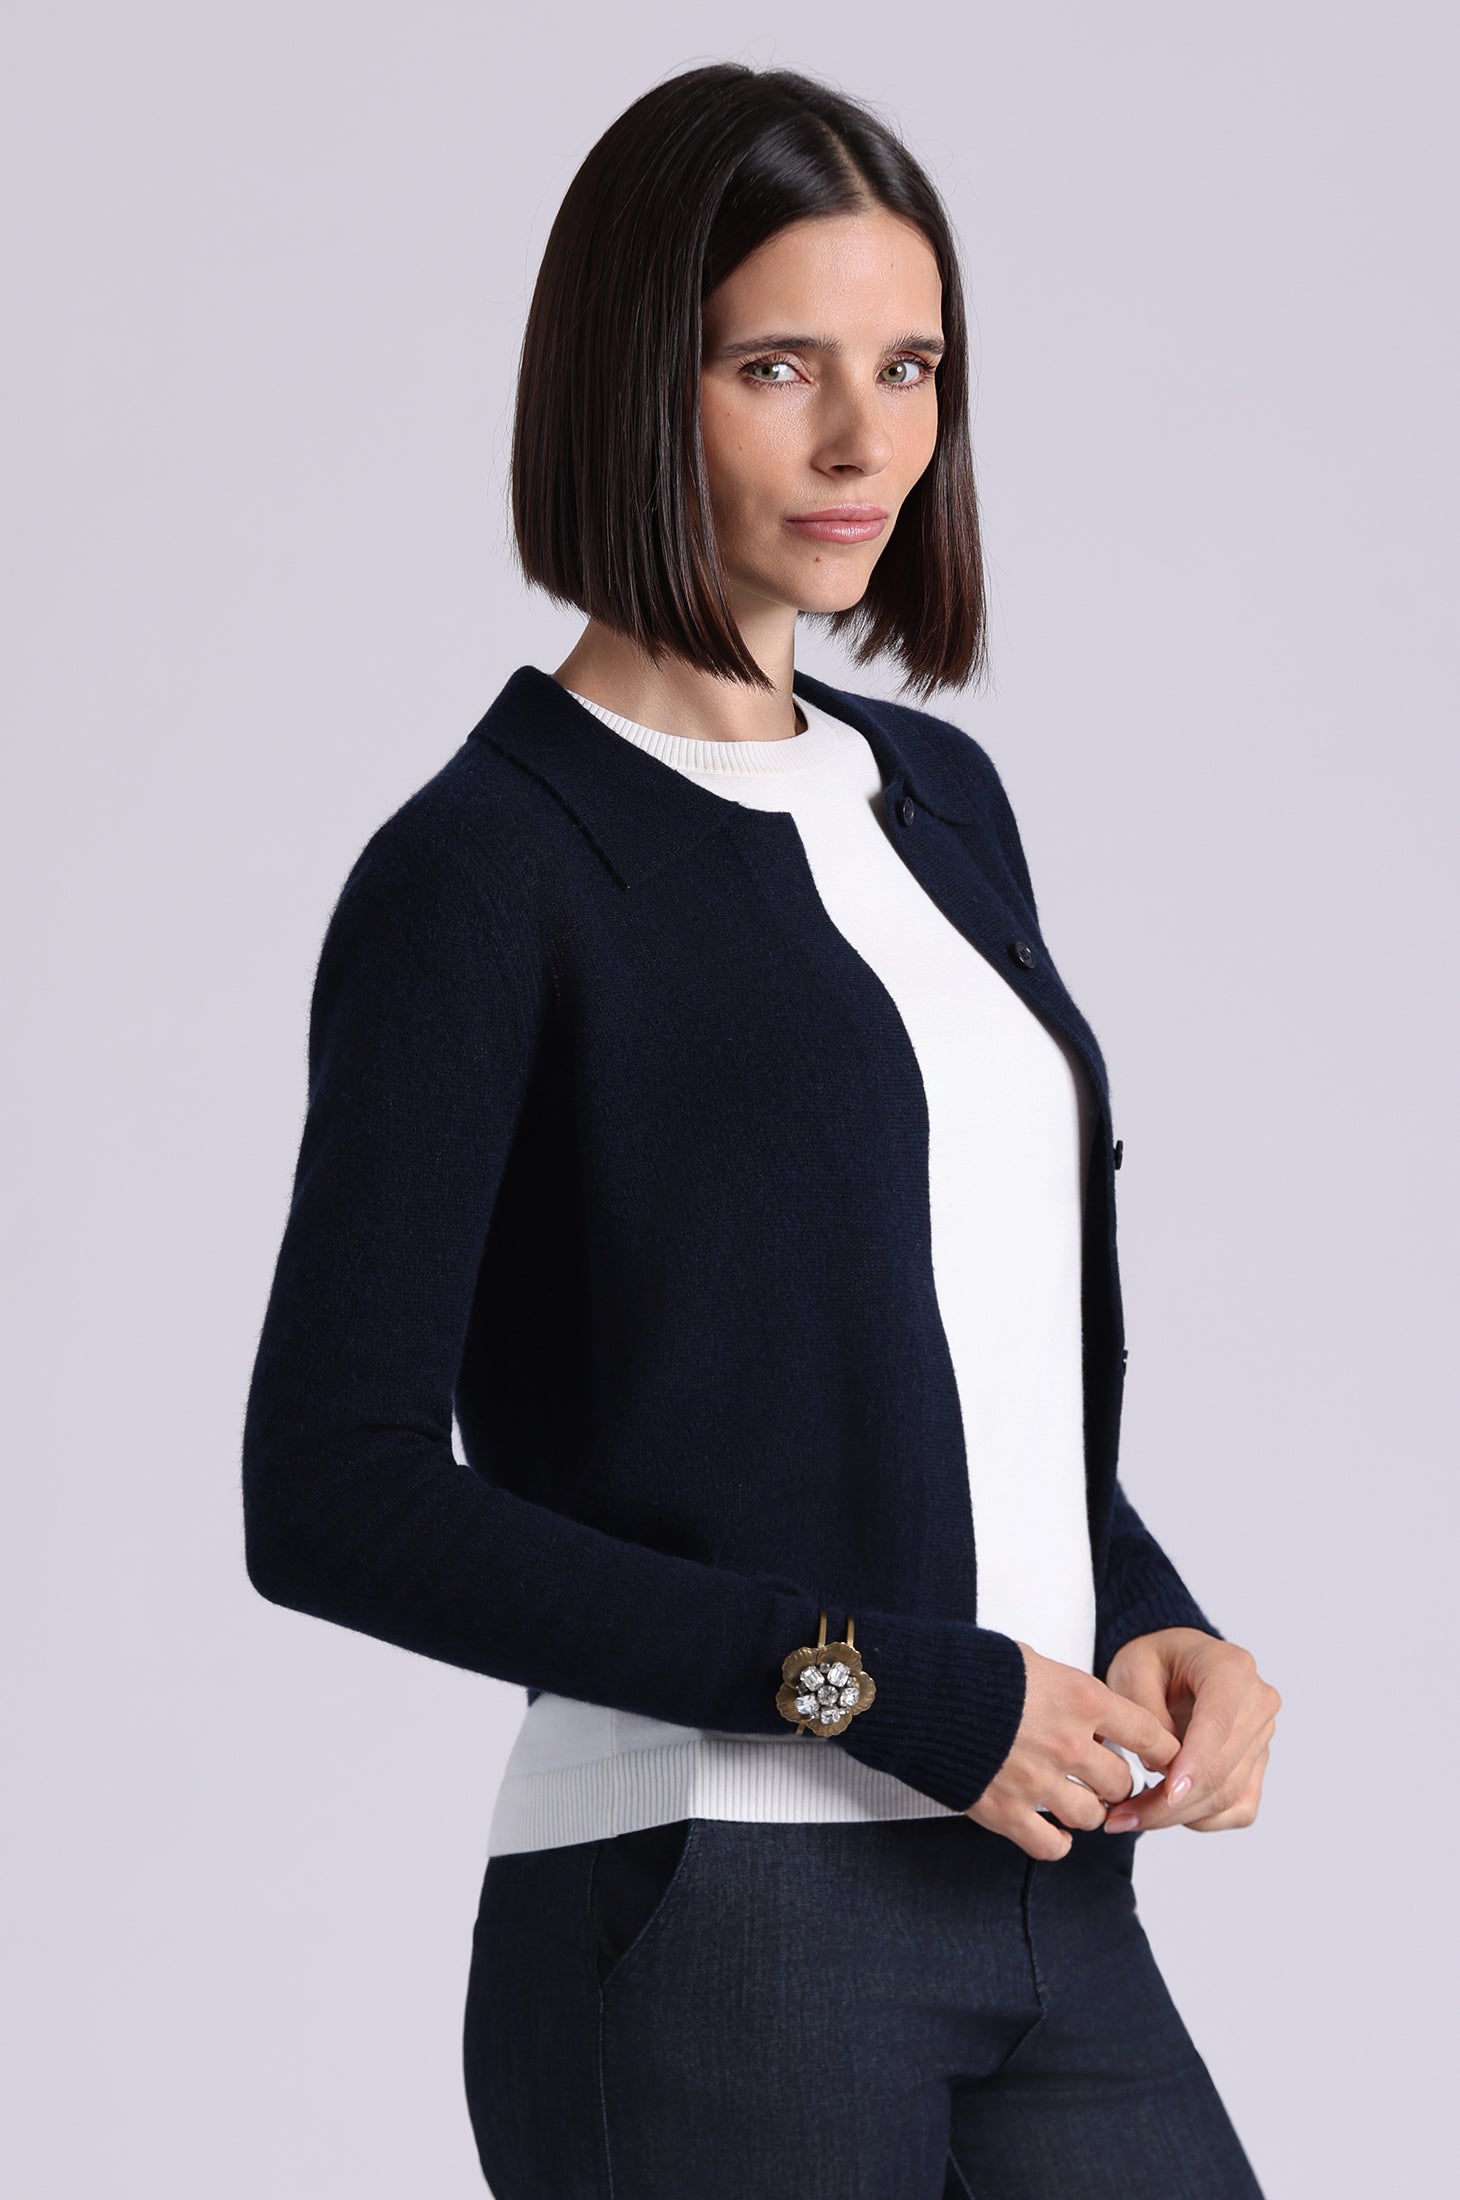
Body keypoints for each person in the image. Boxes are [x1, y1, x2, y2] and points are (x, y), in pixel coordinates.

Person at [241, 60, 1281, 2198]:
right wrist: (871, 1688)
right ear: (639, 384)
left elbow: (949, 1381)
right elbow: (330, 1492)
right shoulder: (486, 873)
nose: (862, 441)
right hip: (715, 1910)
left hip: (1045, 1890)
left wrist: (1148, 1609)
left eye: (909, 368)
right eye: (776, 365)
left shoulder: (941, 807)